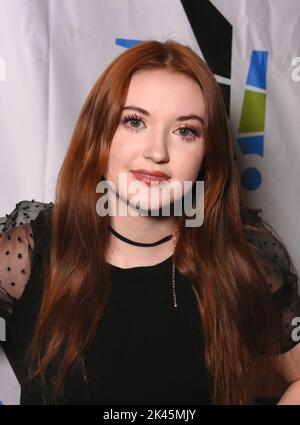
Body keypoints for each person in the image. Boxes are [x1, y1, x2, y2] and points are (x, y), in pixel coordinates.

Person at [0, 39, 300, 405]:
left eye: (185, 130)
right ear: (100, 135)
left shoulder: (240, 261)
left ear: (208, 155)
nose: (157, 152)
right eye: (134, 121)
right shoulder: (27, 256)